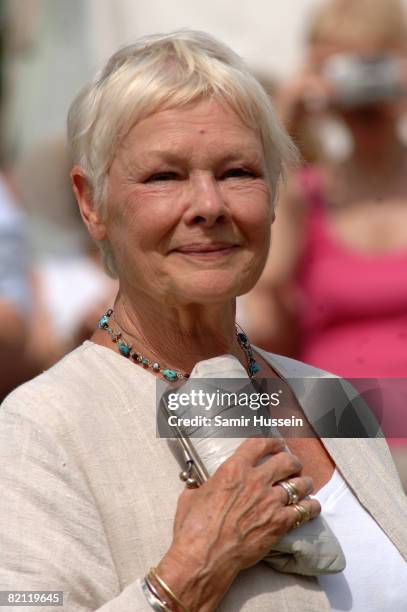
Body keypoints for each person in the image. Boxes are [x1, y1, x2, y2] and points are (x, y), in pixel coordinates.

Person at [0, 31, 406, 612]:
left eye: (238, 171)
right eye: (164, 176)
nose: (209, 206)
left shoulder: (330, 398)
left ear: (273, 196)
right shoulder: (41, 429)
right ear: (92, 203)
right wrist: (184, 576)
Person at [241, 0, 407, 486]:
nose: (362, 92)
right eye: (343, 69)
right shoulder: (304, 193)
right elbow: (263, 292)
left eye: (372, 65)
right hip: (337, 439)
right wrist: (284, 123)